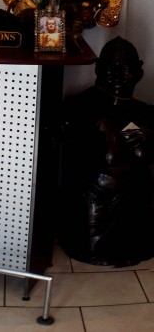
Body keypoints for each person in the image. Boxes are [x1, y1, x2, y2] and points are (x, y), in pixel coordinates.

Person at [59, 37, 154, 266]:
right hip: (93, 203)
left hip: (134, 203)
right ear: (98, 69)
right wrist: (106, 130)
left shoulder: (144, 113)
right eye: (110, 67)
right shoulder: (80, 105)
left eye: (125, 67)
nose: (117, 73)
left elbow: (143, 155)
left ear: (138, 72)